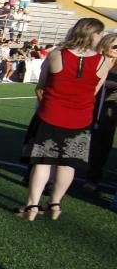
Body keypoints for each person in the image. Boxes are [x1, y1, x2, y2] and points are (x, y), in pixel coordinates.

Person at [19, 18, 110, 220]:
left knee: (43, 162)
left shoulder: (56, 55)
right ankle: (55, 204)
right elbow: (94, 91)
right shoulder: (104, 61)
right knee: (67, 164)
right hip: (80, 118)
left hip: (51, 115)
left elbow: (41, 85)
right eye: (100, 33)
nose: (102, 37)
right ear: (92, 34)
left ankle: (32, 206)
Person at [84, 33, 117, 193]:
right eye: (115, 46)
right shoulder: (95, 60)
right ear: (105, 45)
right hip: (90, 105)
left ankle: (93, 177)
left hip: (110, 109)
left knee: (103, 143)